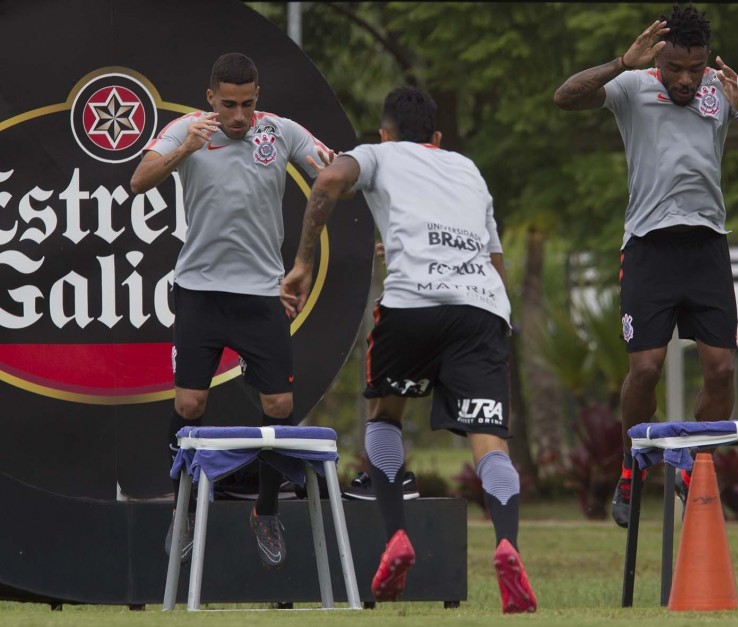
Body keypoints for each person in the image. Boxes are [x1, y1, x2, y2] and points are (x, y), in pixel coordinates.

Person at [280, 87, 537, 614]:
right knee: (490, 440)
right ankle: (507, 543)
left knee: (385, 416)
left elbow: (329, 179)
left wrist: (304, 262)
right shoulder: (467, 169)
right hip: (481, 309)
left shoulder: (379, 154)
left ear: (384, 133)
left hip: (412, 305)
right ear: (437, 138)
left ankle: (397, 535)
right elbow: (492, 261)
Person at [553, 5, 738, 528]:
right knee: (645, 369)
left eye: (694, 67)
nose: (685, 79)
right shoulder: (633, 83)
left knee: (722, 369)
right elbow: (565, 97)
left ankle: (695, 472)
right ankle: (633, 465)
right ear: (658, 57)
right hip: (648, 247)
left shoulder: (723, 85)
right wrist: (621, 61)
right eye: (675, 68)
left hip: (707, 247)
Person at [129, 52, 334, 567]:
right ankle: (186, 510)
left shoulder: (279, 132)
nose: (238, 117)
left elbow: (330, 175)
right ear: (210, 99)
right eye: (228, 106)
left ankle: (264, 511)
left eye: (246, 104)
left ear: (257, 98)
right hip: (199, 291)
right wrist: (187, 149)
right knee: (192, 406)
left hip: (262, 294)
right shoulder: (189, 130)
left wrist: (304, 258)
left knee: (280, 409)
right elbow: (138, 179)